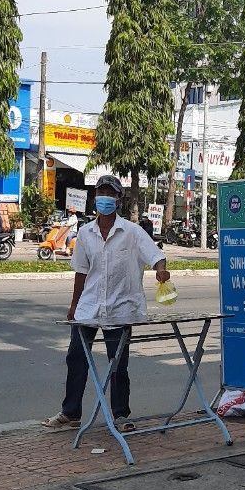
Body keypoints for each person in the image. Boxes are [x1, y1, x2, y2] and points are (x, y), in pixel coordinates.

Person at [43, 174, 169, 433]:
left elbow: (156, 255)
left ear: (118, 199)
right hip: (89, 307)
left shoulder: (132, 232)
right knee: (76, 358)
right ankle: (70, 412)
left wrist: (160, 270)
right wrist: (74, 306)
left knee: (118, 364)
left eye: (110, 194)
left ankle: (121, 415)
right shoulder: (85, 233)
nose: (105, 198)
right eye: (101, 193)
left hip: (121, 308)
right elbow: (81, 272)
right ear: (95, 196)